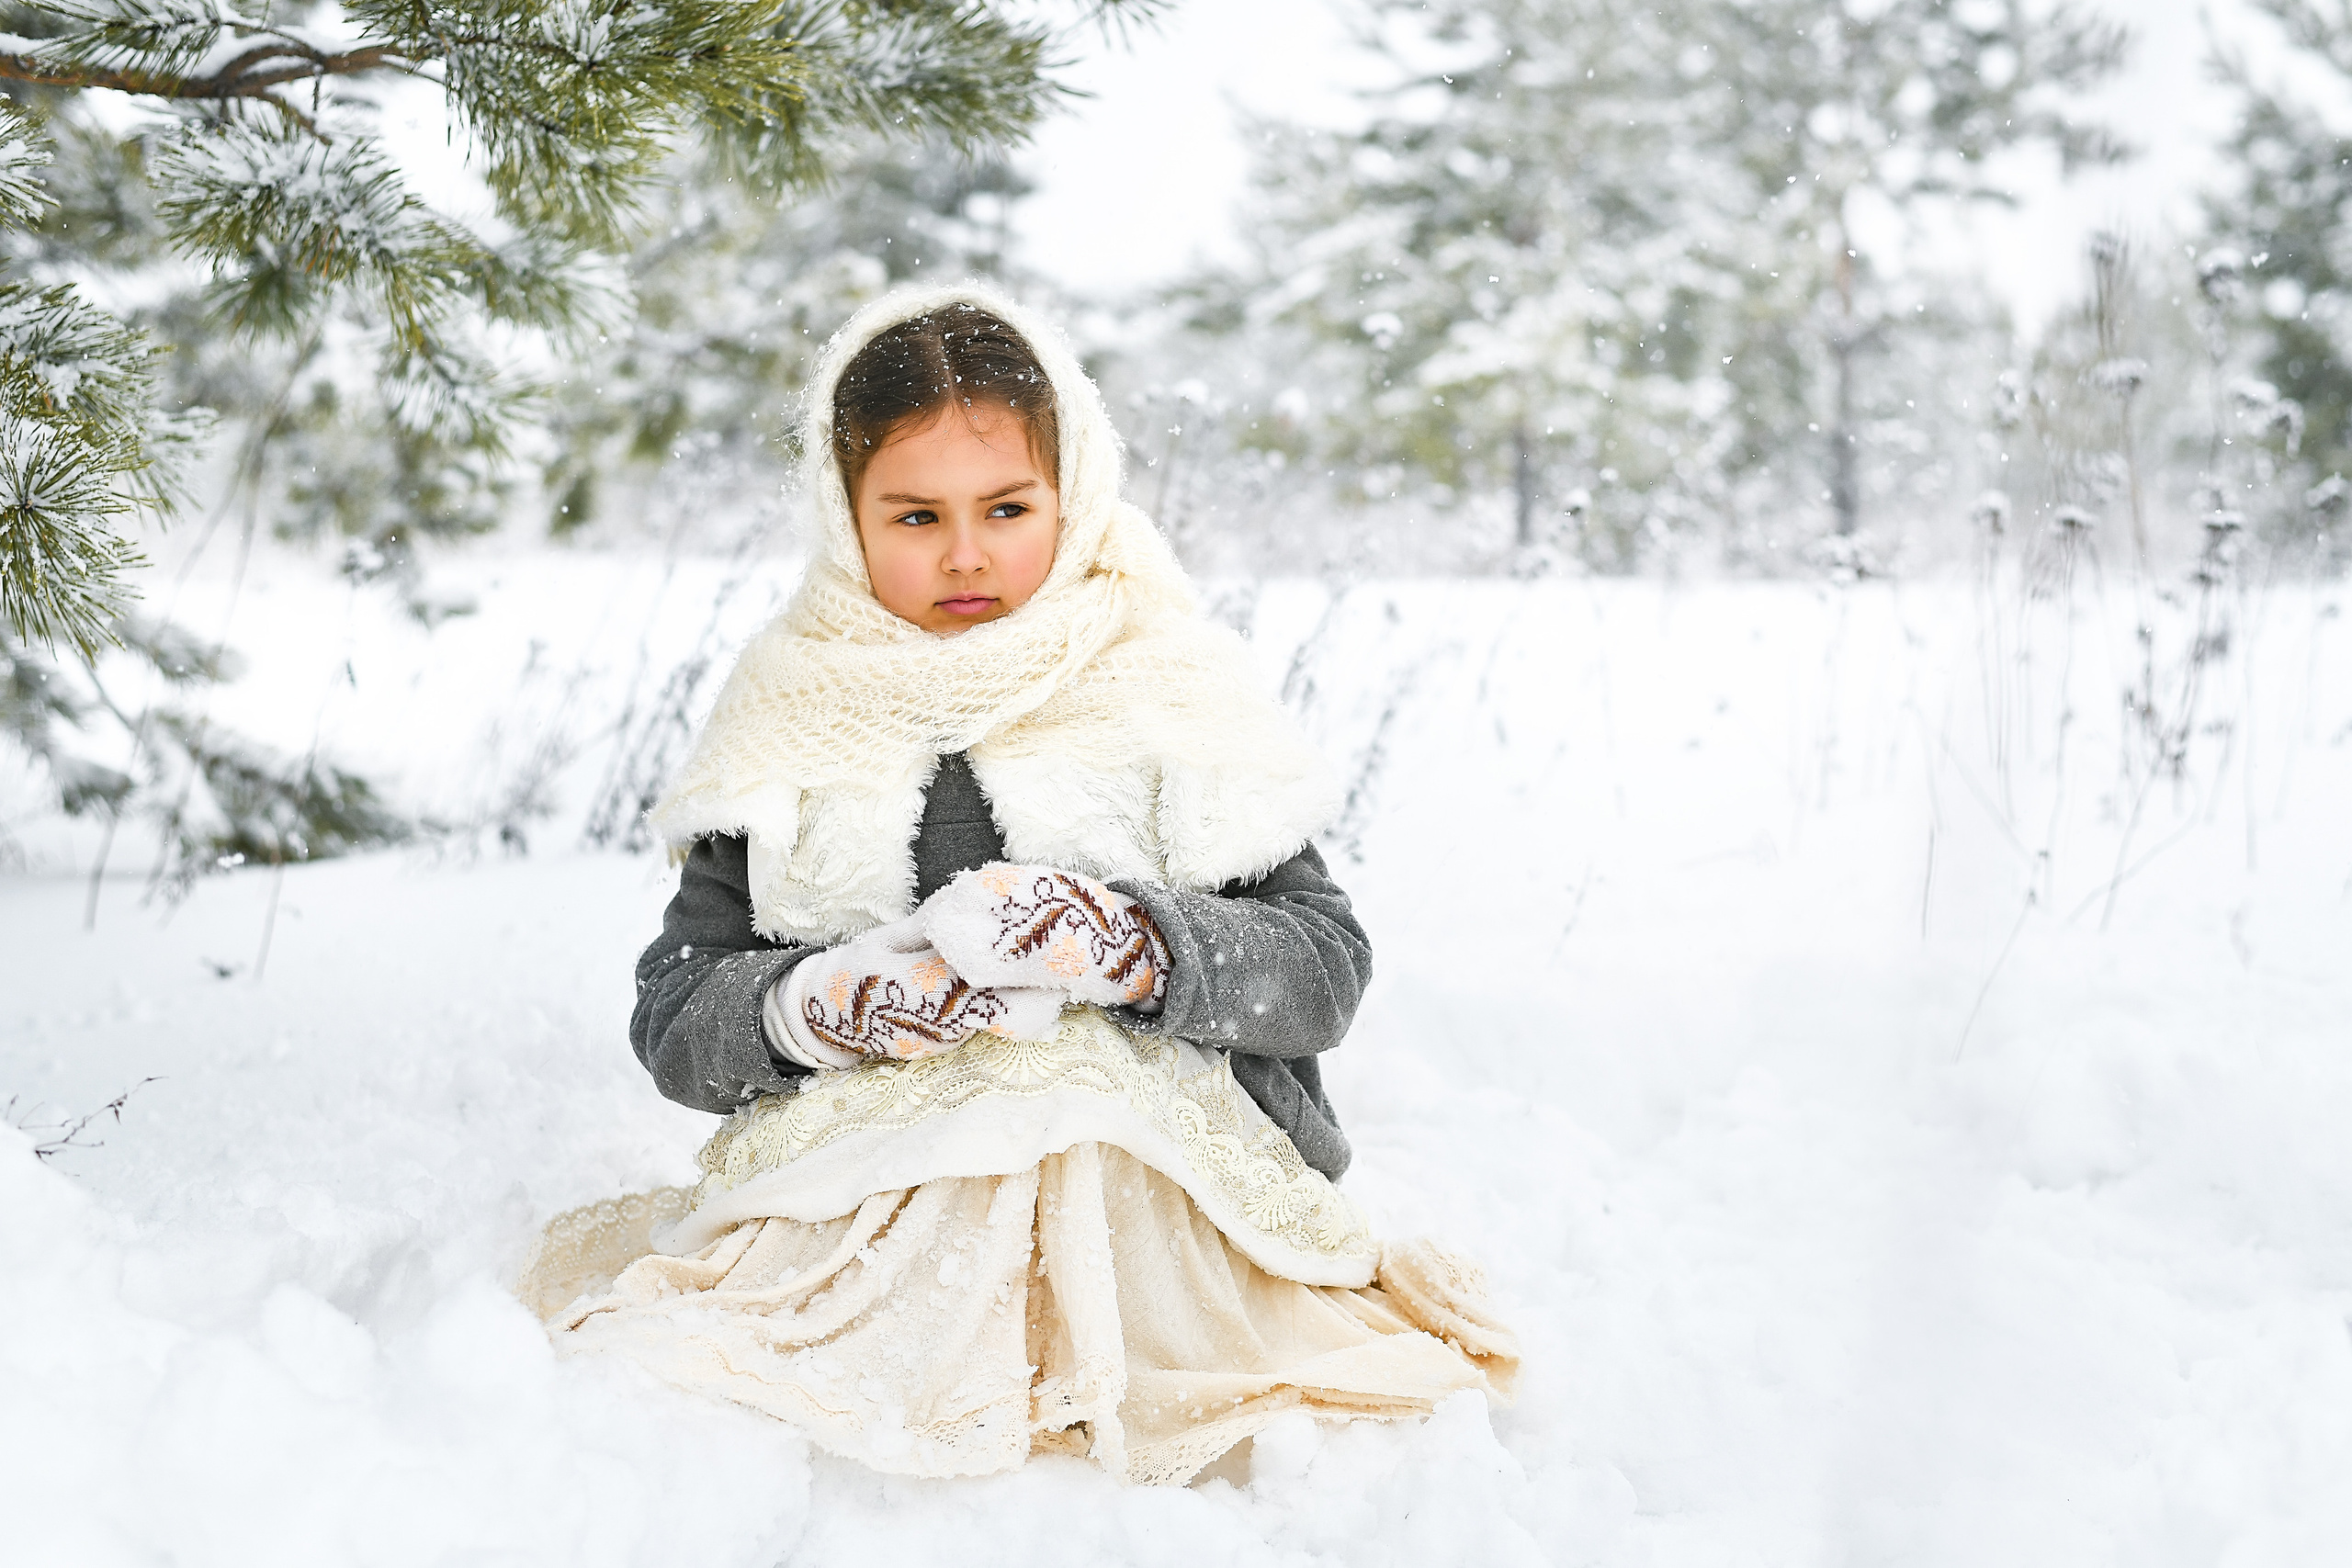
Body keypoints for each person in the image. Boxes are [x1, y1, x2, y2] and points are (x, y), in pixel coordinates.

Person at [519, 284, 1517, 1486]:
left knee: (1070, 1103)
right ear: (843, 513)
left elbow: (1321, 970)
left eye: (1006, 507)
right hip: (873, 1176)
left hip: (1159, 1170)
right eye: (914, 515)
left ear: (1071, 491)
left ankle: (1109, 1341)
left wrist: (1124, 945)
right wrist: (827, 1004)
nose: (965, 554)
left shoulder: (1165, 679)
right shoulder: (793, 704)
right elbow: (681, 1017)